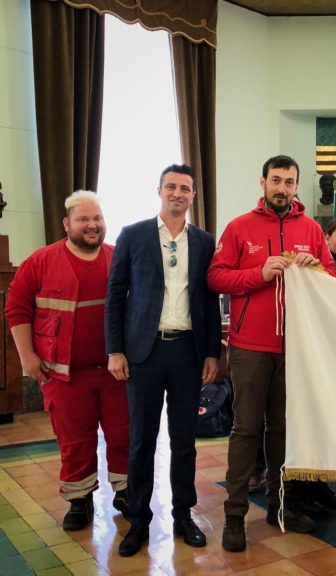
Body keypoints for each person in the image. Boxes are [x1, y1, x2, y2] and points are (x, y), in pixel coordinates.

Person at [208, 155, 336, 552]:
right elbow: (215, 276)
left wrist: (318, 270)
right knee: (246, 430)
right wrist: (258, 274)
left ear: (297, 187)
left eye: (290, 182)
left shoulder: (311, 227)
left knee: (283, 431)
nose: (283, 188)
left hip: (297, 347)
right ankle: (234, 515)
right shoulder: (239, 227)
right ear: (262, 182)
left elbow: (333, 276)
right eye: (276, 180)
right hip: (249, 347)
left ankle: (280, 506)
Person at [105, 164, 221, 557]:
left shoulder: (204, 241)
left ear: (192, 195)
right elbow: (115, 294)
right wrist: (115, 349)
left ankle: (183, 515)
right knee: (141, 440)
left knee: (185, 440)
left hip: (188, 352)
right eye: (171, 186)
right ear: (159, 190)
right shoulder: (133, 235)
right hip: (144, 352)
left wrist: (211, 352)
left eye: (184, 188)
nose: (177, 193)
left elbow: (208, 299)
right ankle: (137, 520)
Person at [5, 191, 129, 531]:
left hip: (116, 372)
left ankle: (125, 491)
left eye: (97, 219)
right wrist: (27, 357)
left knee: (123, 433)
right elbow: (16, 308)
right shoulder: (40, 262)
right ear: (67, 224)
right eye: (83, 219)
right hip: (64, 374)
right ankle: (79, 499)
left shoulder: (119, 258)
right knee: (75, 440)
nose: (92, 225)